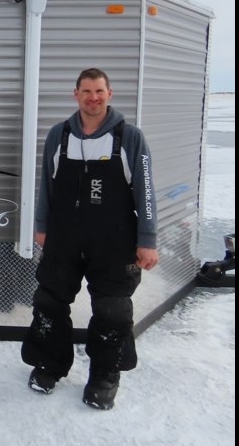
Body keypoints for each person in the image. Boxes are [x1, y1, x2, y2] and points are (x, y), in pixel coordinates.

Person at [21, 68, 159, 411]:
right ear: (76, 94)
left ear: (109, 94)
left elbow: (146, 191)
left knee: (112, 309)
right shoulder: (60, 135)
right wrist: (41, 225)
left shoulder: (129, 137)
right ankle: (50, 364)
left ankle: (104, 375)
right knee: (49, 301)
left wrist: (148, 238)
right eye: (86, 91)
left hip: (114, 239)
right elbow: (46, 185)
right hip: (64, 235)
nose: (93, 97)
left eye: (99, 91)